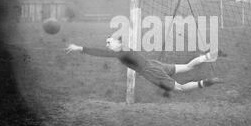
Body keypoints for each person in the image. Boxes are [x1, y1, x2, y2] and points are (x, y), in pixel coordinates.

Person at [65, 37, 224, 93]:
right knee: (188, 66)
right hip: (155, 64)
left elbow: (100, 52)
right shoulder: (125, 48)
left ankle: (205, 83)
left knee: (180, 89)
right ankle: (206, 57)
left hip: (152, 71)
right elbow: (109, 47)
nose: (107, 45)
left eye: (110, 43)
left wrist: (80, 48)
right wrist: (111, 41)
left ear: (118, 44)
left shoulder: (121, 52)